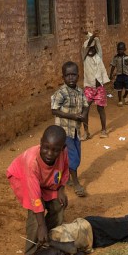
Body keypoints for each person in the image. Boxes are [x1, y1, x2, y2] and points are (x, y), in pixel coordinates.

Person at [6, 125, 70, 255]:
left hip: (44, 181)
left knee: (59, 205)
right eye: (46, 148)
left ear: (62, 148)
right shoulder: (31, 162)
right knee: (36, 216)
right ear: (40, 143)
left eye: (55, 150)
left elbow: (64, 171)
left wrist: (60, 190)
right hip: (23, 177)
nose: (49, 153)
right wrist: (41, 225)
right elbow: (35, 197)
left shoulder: (63, 153)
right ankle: (29, 254)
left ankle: (48, 239)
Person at [51, 61, 89, 197]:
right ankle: (76, 184)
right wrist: (72, 116)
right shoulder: (61, 93)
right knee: (73, 157)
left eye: (74, 75)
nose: (71, 78)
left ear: (78, 76)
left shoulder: (79, 91)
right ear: (63, 77)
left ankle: (65, 177)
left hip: (76, 131)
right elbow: (54, 110)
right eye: (68, 75)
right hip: (64, 131)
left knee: (77, 155)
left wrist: (83, 115)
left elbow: (86, 105)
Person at [81, 31, 110, 138]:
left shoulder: (99, 56)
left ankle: (104, 130)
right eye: (89, 48)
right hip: (89, 88)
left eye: (93, 48)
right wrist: (92, 36)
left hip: (99, 88)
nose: (91, 50)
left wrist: (92, 36)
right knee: (85, 109)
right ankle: (86, 132)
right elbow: (86, 46)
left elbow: (97, 43)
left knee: (100, 109)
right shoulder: (84, 57)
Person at [109, 41, 128, 107]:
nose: (120, 51)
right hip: (119, 76)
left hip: (126, 75)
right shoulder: (116, 58)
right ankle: (119, 101)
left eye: (121, 49)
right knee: (119, 89)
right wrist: (110, 75)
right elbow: (113, 66)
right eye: (118, 50)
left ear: (125, 49)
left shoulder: (127, 57)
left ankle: (125, 96)